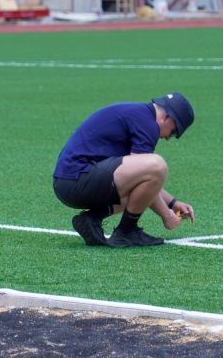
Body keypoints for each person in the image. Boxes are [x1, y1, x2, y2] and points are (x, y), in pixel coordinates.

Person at [53, 93, 195, 248]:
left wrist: (172, 203)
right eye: (174, 132)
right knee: (157, 164)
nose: (168, 138)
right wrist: (167, 217)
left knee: (142, 187)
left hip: (69, 182)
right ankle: (126, 232)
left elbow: (144, 182)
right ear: (166, 117)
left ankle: (92, 218)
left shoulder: (139, 114)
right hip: (78, 179)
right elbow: (150, 171)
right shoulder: (147, 123)